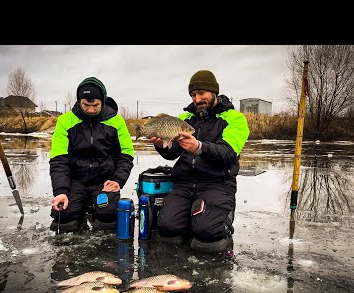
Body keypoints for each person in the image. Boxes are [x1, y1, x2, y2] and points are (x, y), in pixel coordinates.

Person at [148, 70, 249, 254]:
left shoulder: (235, 119)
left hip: (216, 184)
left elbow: (227, 155)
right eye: (193, 95)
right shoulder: (185, 118)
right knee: (167, 229)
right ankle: (191, 220)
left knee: (207, 236)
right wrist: (161, 145)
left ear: (214, 92)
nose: (197, 99)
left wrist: (199, 147)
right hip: (184, 183)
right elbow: (173, 154)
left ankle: (223, 221)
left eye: (201, 93)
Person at [49, 76, 134, 233]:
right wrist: (60, 191)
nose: (90, 110)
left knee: (108, 218)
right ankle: (80, 213)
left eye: (95, 105)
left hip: (103, 181)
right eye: (85, 105)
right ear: (79, 101)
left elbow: (126, 155)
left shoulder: (117, 121)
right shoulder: (65, 121)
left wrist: (117, 181)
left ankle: (95, 213)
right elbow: (58, 159)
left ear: (103, 100)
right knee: (64, 218)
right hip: (76, 180)